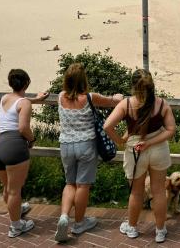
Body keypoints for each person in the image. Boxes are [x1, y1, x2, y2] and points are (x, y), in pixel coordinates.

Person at [103, 69, 176, 243]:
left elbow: (107, 126)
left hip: (135, 150)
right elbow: (171, 130)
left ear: (133, 86)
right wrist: (151, 142)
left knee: (136, 193)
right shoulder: (161, 104)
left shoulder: (126, 104)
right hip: (158, 149)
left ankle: (133, 228)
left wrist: (120, 141)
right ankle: (160, 231)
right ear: (152, 86)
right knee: (158, 191)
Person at [54, 63, 124, 243]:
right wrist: (117, 97)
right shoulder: (90, 98)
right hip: (86, 145)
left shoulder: (60, 97)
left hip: (66, 145)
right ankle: (79, 223)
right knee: (83, 185)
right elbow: (112, 101)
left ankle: (63, 217)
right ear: (83, 80)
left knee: (70, 183)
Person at [0, 69, 49, 238]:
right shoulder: (25, 103)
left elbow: (20, 102)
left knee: (8, 188)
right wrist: (32, 140)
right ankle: (16, 226)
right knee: (15, 191)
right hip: (15, 147)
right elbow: (23, 128)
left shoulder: (5, 98)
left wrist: (36, 99)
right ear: (27, 83)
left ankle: (16, 210)